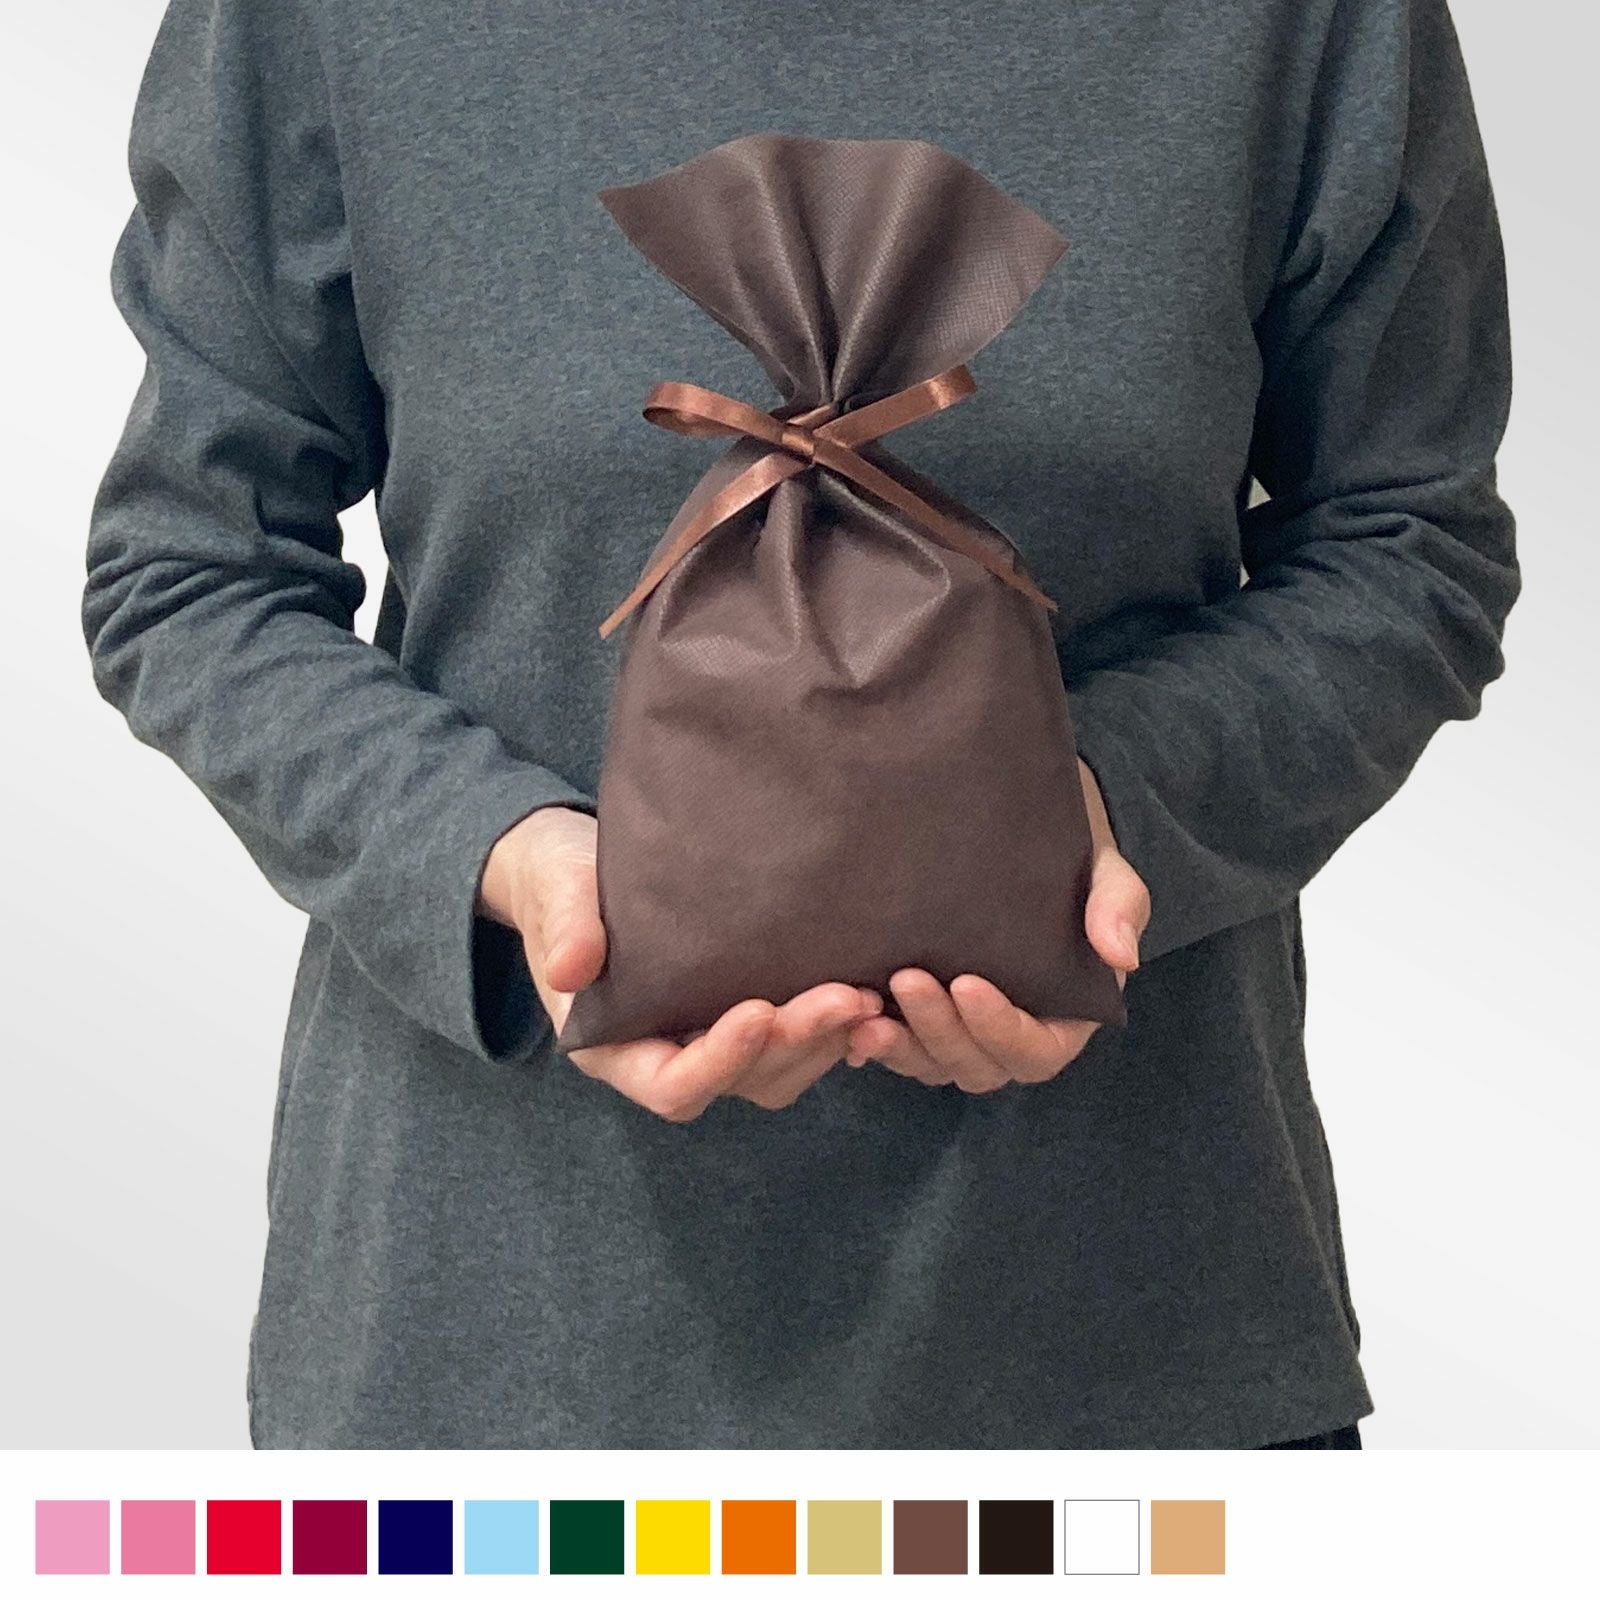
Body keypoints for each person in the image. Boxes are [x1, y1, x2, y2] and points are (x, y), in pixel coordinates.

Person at [84, 0, 1516, 1449]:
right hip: (491, 1360)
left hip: (1132, 1346)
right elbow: (190, 571)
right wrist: (500, 856)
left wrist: (1088, 812)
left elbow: (1410, 545)